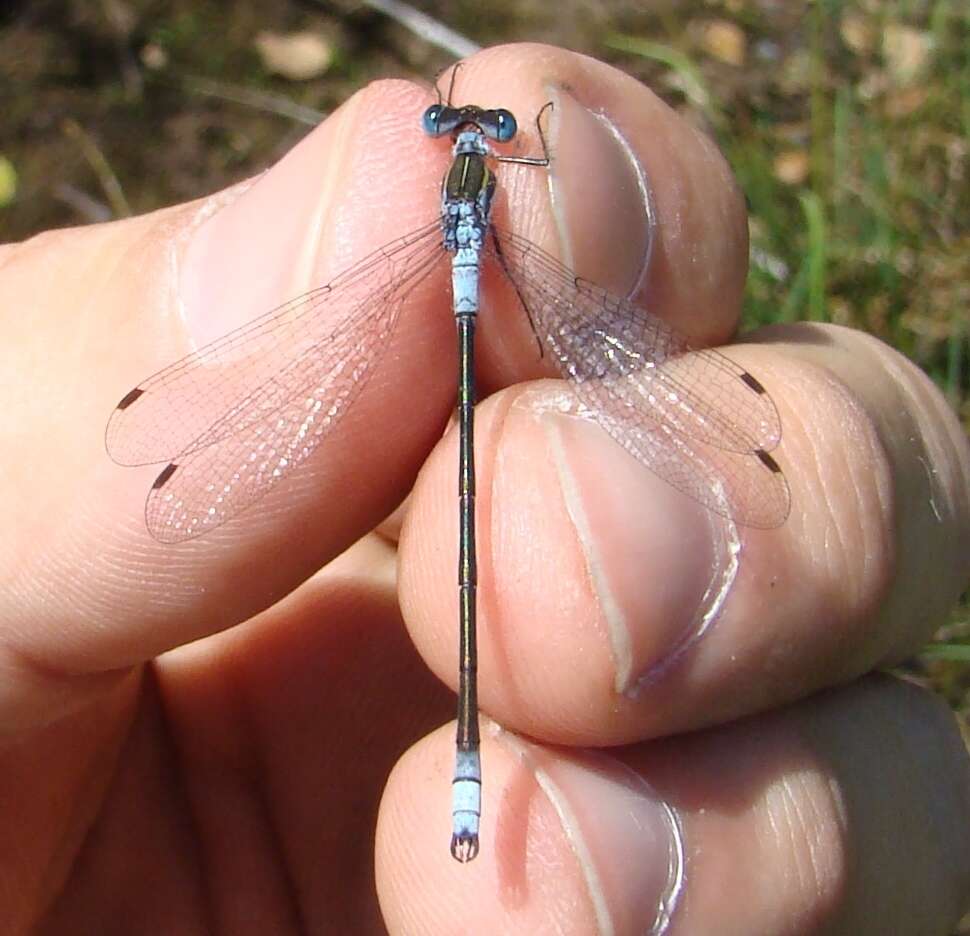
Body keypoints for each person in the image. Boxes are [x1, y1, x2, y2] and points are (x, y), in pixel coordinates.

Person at [3, 43, 968, 935]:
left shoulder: (488, 202)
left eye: (482, 135)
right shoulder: (494, 179)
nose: (470, 140)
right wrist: (533, 145)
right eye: (464, 134)